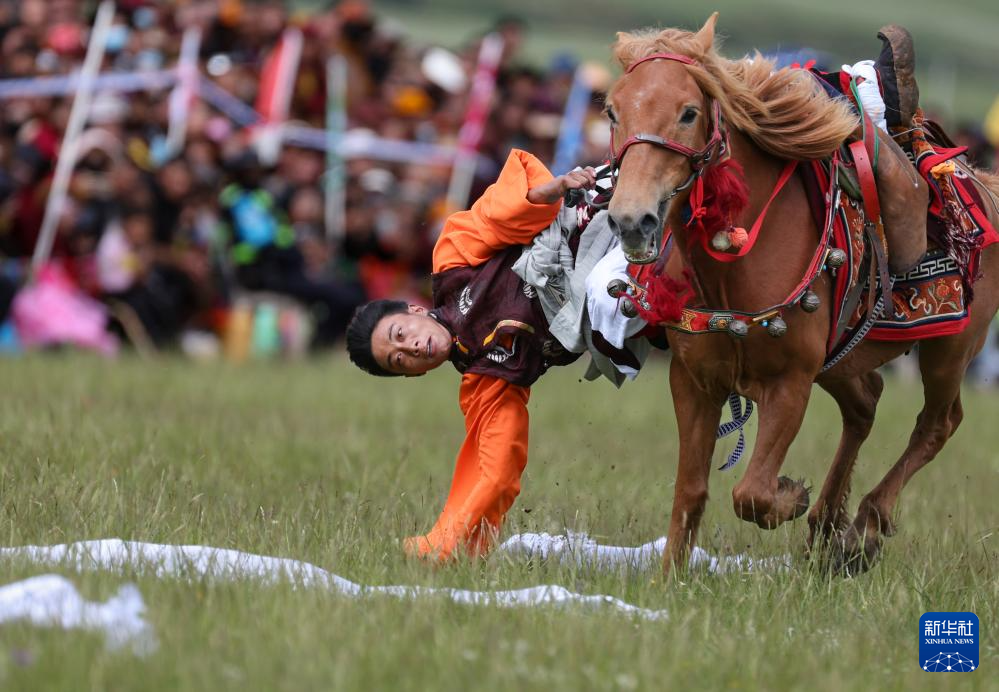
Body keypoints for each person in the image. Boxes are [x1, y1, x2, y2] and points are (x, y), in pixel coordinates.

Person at [346, 150, 650, 562]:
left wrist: (554, 188)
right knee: (608, 300)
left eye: (400, 334)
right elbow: (492, 471)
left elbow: (498, 213)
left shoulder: (452, 262)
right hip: (618, 286)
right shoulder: (486, 379)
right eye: (399, 360)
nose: (410, 348)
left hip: (596, 208)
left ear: (412, 309)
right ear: (412, 375)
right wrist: (445, 545)